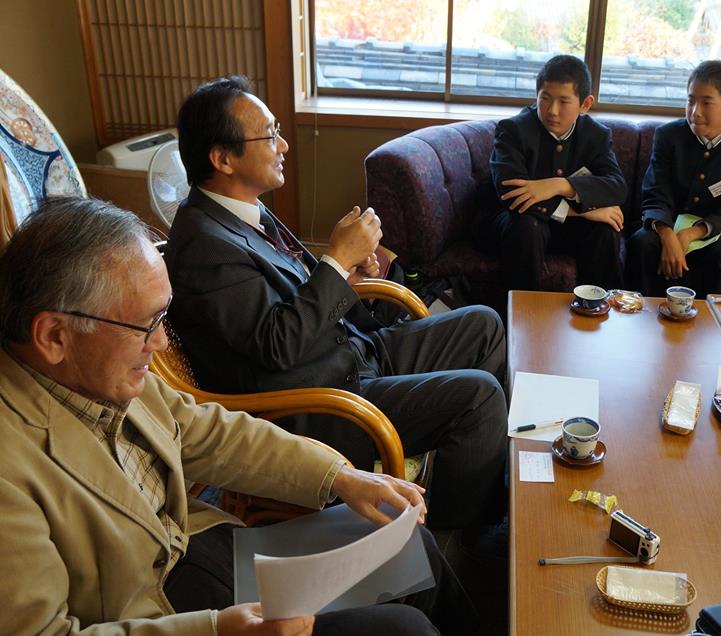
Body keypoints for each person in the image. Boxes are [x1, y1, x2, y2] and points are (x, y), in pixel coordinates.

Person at [0, 196, 473, 635]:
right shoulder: (10, 465)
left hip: (199, 545)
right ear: (54, 336)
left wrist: (340, 476)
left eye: (163, 318)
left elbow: (207, 432)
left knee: (410, 547)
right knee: (402, 628)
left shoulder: (100, 369)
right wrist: (215, 630)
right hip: (155, 611)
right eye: (146, 325)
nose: (161, 343)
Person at [164, 76, 506, 532]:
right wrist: (336, 260)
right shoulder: (203, 246)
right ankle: (451, 538)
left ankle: (476, 476)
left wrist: (348, 275)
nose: (283, 145)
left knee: (484, 325)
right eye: (269, 135)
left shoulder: (244, 210)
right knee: (479, 396)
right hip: (317, 404)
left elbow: (295, 296)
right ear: (223, 159)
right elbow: (277, 346)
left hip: (347, 355)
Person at [482, 54, 627, 292]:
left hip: (562, 229)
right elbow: (511, 194)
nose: (552, 111)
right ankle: (522, 312)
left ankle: (599, 308)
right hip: (513, 223)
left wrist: (560, 185)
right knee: (528, 226)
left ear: (585, 104)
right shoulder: (513, 130)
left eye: (564, 101)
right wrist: (582, 212)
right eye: (545, 98)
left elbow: (617, 187)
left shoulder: (596, 135)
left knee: (605, 230)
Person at [625, 60, 721, 297]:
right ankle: (642, 313)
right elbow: (656, 192)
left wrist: (691, 233)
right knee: (642, 243)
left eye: (706, 103)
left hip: (715, 229)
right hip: (668, 221)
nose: (695, 112)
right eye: (690, 101)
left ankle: (711, 318)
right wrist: (667, 234)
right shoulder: (668, 136)